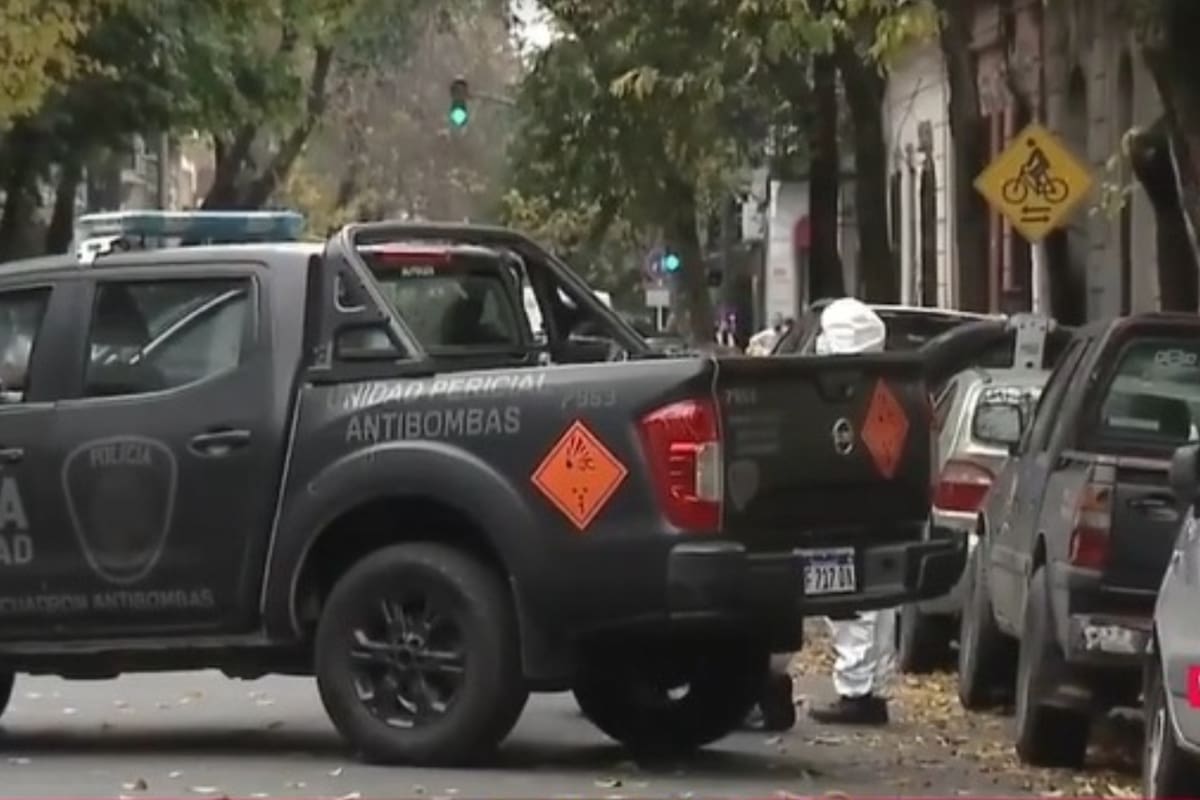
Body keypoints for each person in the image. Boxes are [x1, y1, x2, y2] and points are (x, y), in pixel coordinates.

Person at [806, 297, 898, 726]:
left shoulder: (847, 394)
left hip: (850, 506)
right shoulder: (889, 386)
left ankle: (858, 689)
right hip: (879, 508)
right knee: (875, 600)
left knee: (852, 599)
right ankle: (871, 687)